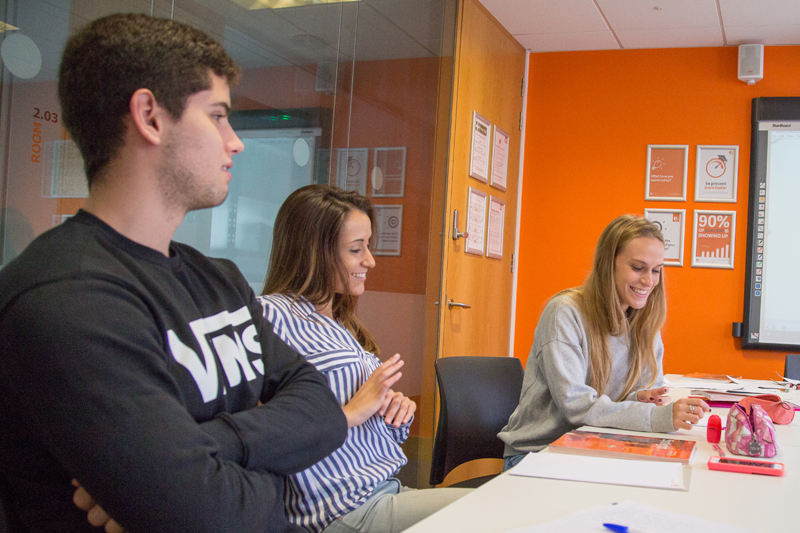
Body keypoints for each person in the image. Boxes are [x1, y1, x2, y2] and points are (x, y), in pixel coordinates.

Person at [0, 13, 347, 533]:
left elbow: (323, 412)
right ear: (150, 117)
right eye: (217, 116)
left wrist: (215, 445)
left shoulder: (219, 279)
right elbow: (206, 516)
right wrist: (272, 469)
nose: (236, 142)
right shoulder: (68, 299)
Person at [258, 185, 468, 533]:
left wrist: (391, 415)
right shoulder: (271, 316)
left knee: (502, 506)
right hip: (341, 509)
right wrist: (349, 414)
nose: (369, 260)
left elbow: (361, 430)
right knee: (491, 513)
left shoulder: (339, 324)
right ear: (315, 253)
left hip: (383, 489)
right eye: (356, 249)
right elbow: (260, 431)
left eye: (367, 246)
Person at [499, 215, 710, 470]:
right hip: (539, 453)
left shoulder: (644, 322)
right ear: (608, 264)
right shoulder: (564, 313)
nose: (648, 281)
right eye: (638, 268)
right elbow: (577, 406)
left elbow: (619, 403)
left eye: (656, 271)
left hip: (598, 446)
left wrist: (639, 397)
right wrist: (656, 416)